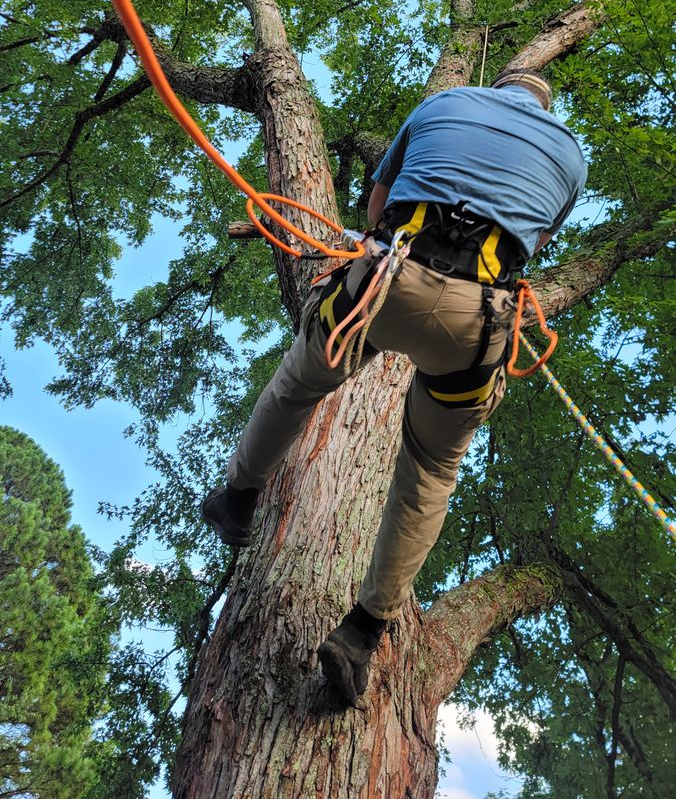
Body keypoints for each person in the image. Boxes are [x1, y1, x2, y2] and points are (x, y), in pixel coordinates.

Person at [202, 69, 588, 705]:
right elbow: (536, 240)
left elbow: (379, 199)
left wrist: (380, 243)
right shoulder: (569, 155)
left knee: (298, 385)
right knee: (431, 470)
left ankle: (238, 498)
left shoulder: (442, 103)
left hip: (384, 281)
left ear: (497, 87)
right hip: (479, 319)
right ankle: (363, 629)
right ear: (545, 103)